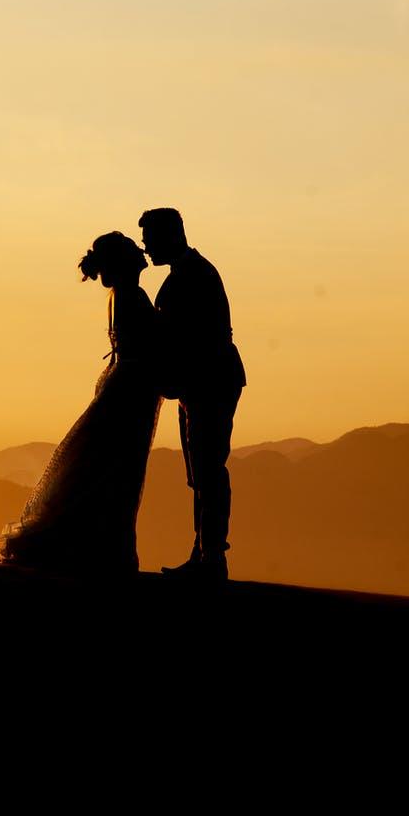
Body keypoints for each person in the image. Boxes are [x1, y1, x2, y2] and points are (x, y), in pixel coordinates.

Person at [0, 232, 163, 573]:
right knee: (116, 469)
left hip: (123, 383)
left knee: (101, 466)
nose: (142, 259)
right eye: (134, 255)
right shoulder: (132, 294)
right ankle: (104, 548)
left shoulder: (120, 295)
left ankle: (99, 546)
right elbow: (149, 342)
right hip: (131, 388)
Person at [139, 207, 245, 582]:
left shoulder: (197, 274)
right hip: (196, 385)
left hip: (210, 382)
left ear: (170, 234)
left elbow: (202, 337)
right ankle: (204, 553)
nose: (145, 247)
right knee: (199, 471)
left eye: (149, 238)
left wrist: (173, 376)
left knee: (208, 468)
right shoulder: (184, 274)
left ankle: (212, 557)